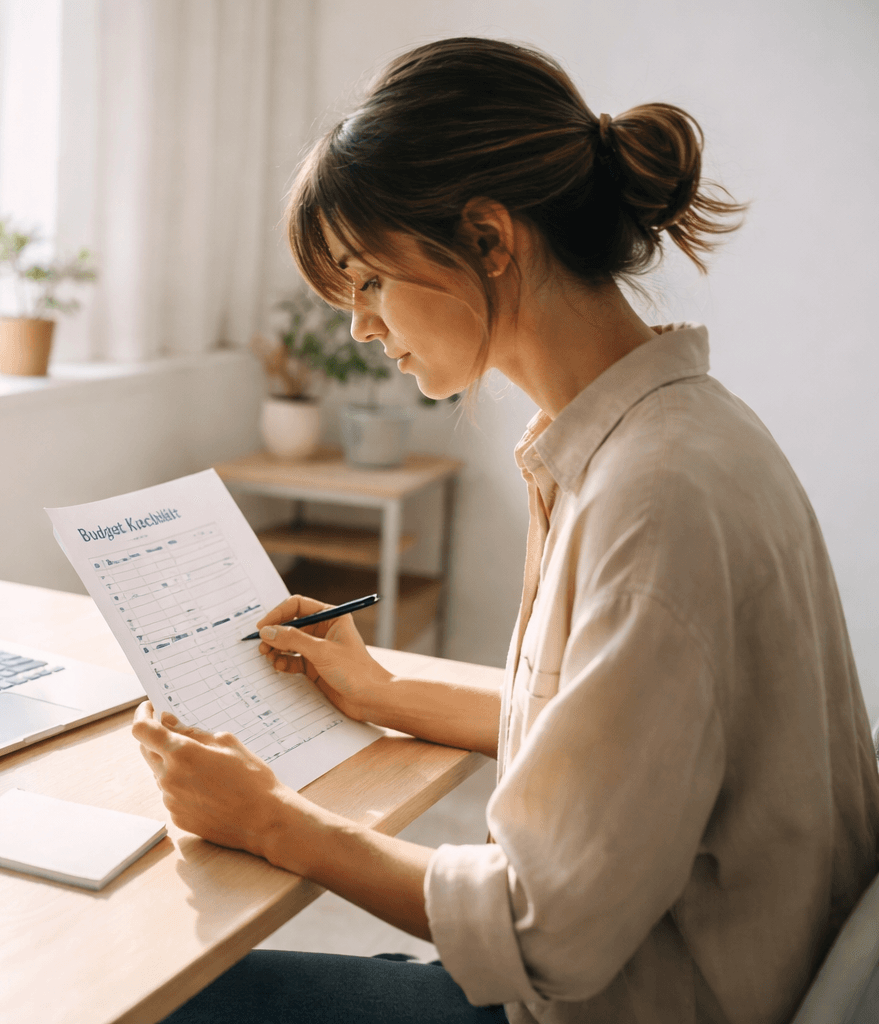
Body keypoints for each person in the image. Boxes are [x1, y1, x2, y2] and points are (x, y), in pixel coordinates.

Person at [135, 37, 879, 1024]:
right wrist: (383, 690)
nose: (360, 326)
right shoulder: (661, 437)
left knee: (159, 995)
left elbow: (540, 928)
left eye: (368, 280)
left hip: (640, 1003)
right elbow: (611, 739)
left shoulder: (656, 497)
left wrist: (271, 821)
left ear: (489, 238)